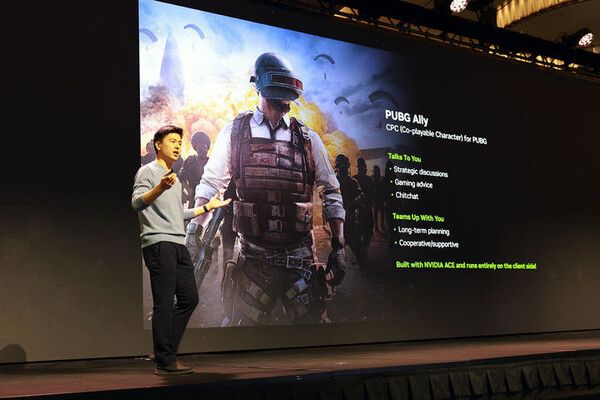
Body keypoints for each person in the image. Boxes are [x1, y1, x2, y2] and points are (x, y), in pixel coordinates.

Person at [187, 52, 346, 326]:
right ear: (259, 89)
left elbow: (331, 191)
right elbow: (211, 184)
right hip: (252, 260)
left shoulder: (308, 139)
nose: (282, 107)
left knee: (312, 335)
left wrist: (339, 246)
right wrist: (194, 231)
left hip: (300, 261)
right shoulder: (235, 133)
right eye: (276, 99)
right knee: (240, 331)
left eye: (286, 101)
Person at [132, 124, 231, 375]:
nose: (177, 146)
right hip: (158, 243)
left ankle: (165, 350)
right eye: (172, 141)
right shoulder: (148, 172)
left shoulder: (173, 180)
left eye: (179, 142)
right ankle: (165, 361)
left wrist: (207, 207)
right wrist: (159, 188)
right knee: (164, 303)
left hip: (178, 242)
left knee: (189, 298)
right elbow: (136, 203)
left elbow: (179, 213)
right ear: (158, 145)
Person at [335, 154, 368, 270]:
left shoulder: (352, 182)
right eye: (342, 165)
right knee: (337, 254)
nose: (343, 168)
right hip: (339, 223)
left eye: (345, 165)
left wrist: (353, 202)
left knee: (359, 252)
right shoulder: (333, 182)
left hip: (350, 222)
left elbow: (361, 196)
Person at [372, 165, 385, 233]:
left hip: (379, 198)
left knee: (380, 212)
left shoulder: (381, 178)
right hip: (376, 198)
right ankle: (377, 225)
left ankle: (380, 225)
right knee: (376, 213)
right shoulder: (373, 178)